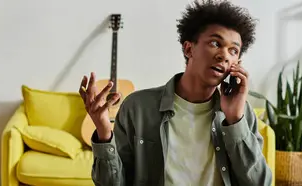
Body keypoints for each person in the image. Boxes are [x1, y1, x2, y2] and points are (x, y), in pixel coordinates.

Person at [78, 0, 272, 185]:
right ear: (189, 49)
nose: (224, 55)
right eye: (215, 43)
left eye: (234, 51)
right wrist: (103, 132)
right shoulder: (138, 107)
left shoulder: (240, 113)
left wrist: (235, 120)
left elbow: (259, 183)